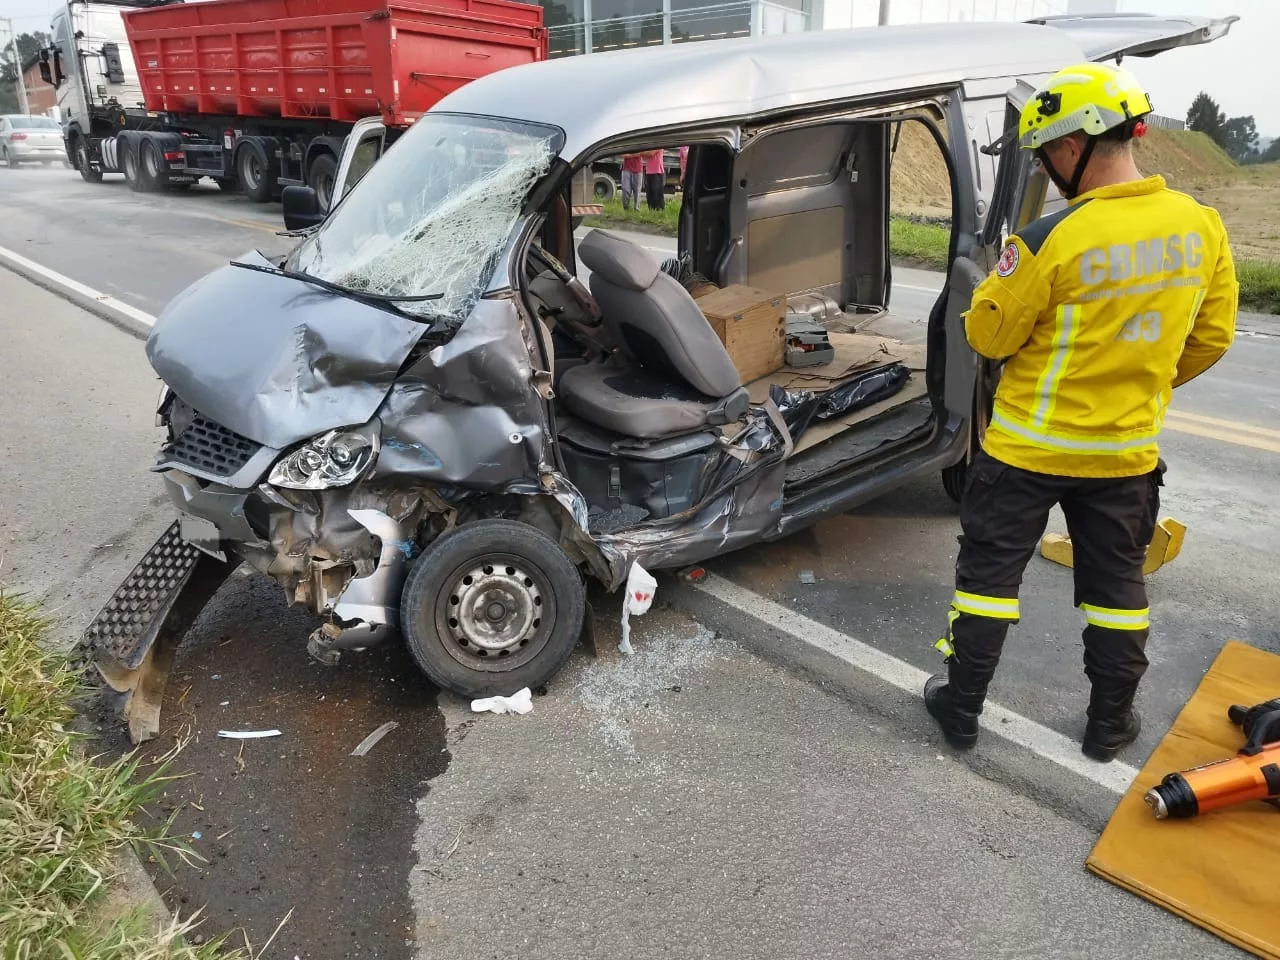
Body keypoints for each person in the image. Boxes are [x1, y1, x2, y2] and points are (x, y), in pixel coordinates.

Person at [923, 62, 1238, 763]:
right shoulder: (1201, 228)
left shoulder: (1048, 239)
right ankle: (1108, 725)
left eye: (1043, 154)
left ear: (1072, 147)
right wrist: (1139, 384)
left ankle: (963, 708)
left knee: (987, 587)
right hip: (1123, 454)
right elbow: (1210, 338)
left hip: (1025, 453)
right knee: (1117, 593)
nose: (1045, 166)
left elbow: (986, 337)